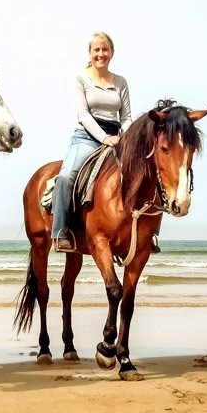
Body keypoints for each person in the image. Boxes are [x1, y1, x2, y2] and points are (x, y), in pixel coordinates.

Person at [52, 32, 133, 253]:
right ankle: (60, 232)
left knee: (146, 172)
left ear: (112, 53)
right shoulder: (81, 79)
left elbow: (126, 117)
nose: (101, 54)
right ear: (90, 53)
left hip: (117, 139)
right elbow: (83, 114)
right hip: (87, 137)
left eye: (105, 49)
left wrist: (124, 139)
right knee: (66, 177)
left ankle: (148, 235)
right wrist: (104, 138)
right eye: (96, 50)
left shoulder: (121, 82)